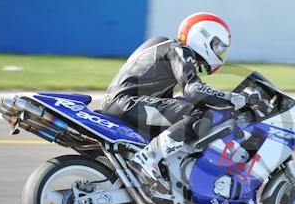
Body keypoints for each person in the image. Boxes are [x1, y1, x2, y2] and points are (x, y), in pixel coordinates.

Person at [100, 12, 247, 191]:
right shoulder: (179, 49)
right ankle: (148, 158)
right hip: (127, 103)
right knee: (199, 114)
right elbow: (193, 89)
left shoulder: (164, 48)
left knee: (185, 108)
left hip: (122, 103)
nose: (219, 52)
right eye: (217, 46)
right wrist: (229, 98)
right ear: (202, 37)